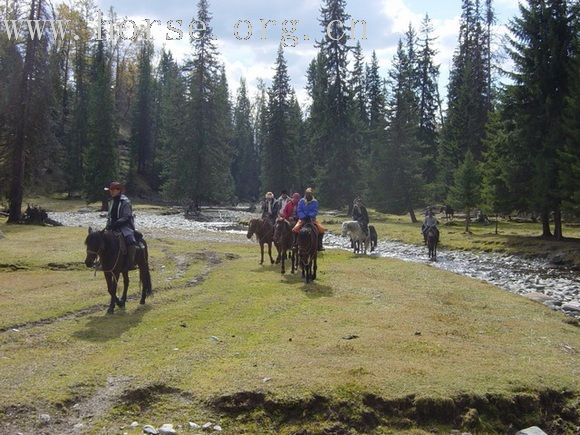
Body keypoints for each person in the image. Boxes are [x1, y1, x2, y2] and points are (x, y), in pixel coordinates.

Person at [105, 181, 137, 270]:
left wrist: (116, 224)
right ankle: (102, 262)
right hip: (112, 226)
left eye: (112, 190)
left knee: (131, 240)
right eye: (110, 190)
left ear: (119, 190)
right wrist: (108, 225)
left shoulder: (126, 202)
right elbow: (110, 216)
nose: (111, 192)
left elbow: (126, 217)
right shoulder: (111, 201)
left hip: (125, 226)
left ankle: (131, 263)